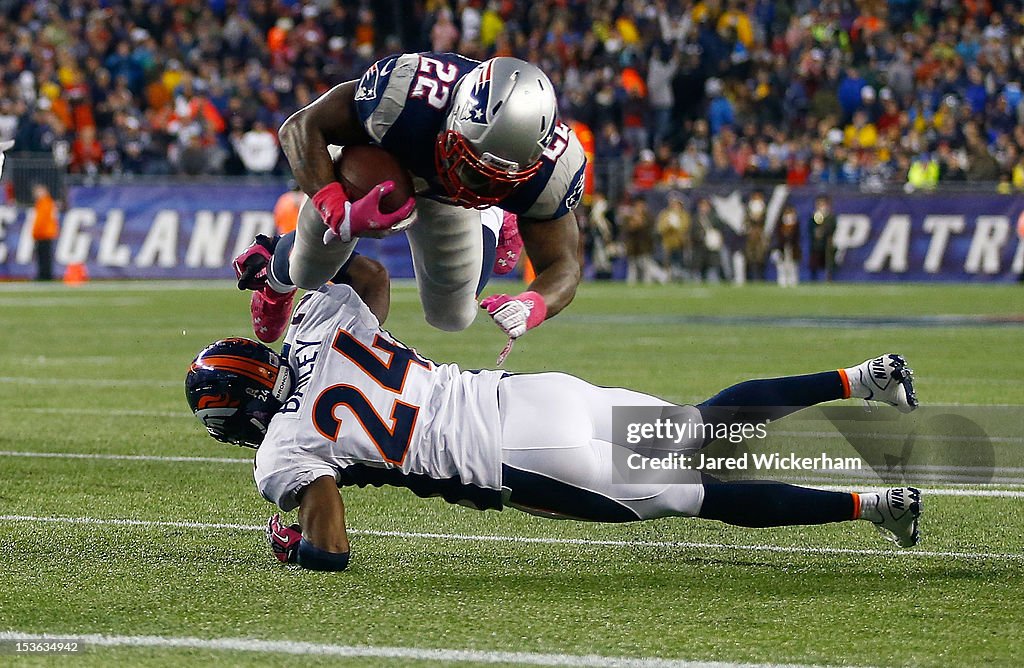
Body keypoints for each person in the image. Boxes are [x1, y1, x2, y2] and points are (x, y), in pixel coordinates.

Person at [186, 271, 922, 572]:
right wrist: (288, 273)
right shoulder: (317, 323)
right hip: (529, 394)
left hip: (513, 457)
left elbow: (335, 547)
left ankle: (876, 504)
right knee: (697, 425)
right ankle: (866, 376)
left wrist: (293, 545)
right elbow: (370, 279)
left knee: (690, 492)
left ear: (240, 416)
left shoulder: (284, 446)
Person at [233, 53, 586, 357]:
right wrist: (335, 207)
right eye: (473, 166)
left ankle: (493, 218)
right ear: (456, 119)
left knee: (452, 316)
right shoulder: (406, 94)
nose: (475, 186)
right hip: (382, 161)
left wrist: (533, 305)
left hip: (443, 193)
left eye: (496, 181)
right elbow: (300, 126)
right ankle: (274, 276)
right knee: (308, 273)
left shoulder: (554, 170)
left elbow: (563, 266)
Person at [31, 183, 59, 281]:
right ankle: (44, 274)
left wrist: (35, 232)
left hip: (44, 234)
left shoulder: (45, 202)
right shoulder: (44, 202)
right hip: (43, 233)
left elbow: (41, 220)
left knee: (44, 257)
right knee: (43, 257)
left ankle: (45, 275)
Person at [809, 194, 838, 281]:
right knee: (814, 263)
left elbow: (832, 228)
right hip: (817, 244)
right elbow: (810, 228)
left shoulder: (831, 217)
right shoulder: (814, 216)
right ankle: (814, 280)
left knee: (828, 263)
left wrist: (823, 230)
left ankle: (829, 279)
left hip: (827, 244)